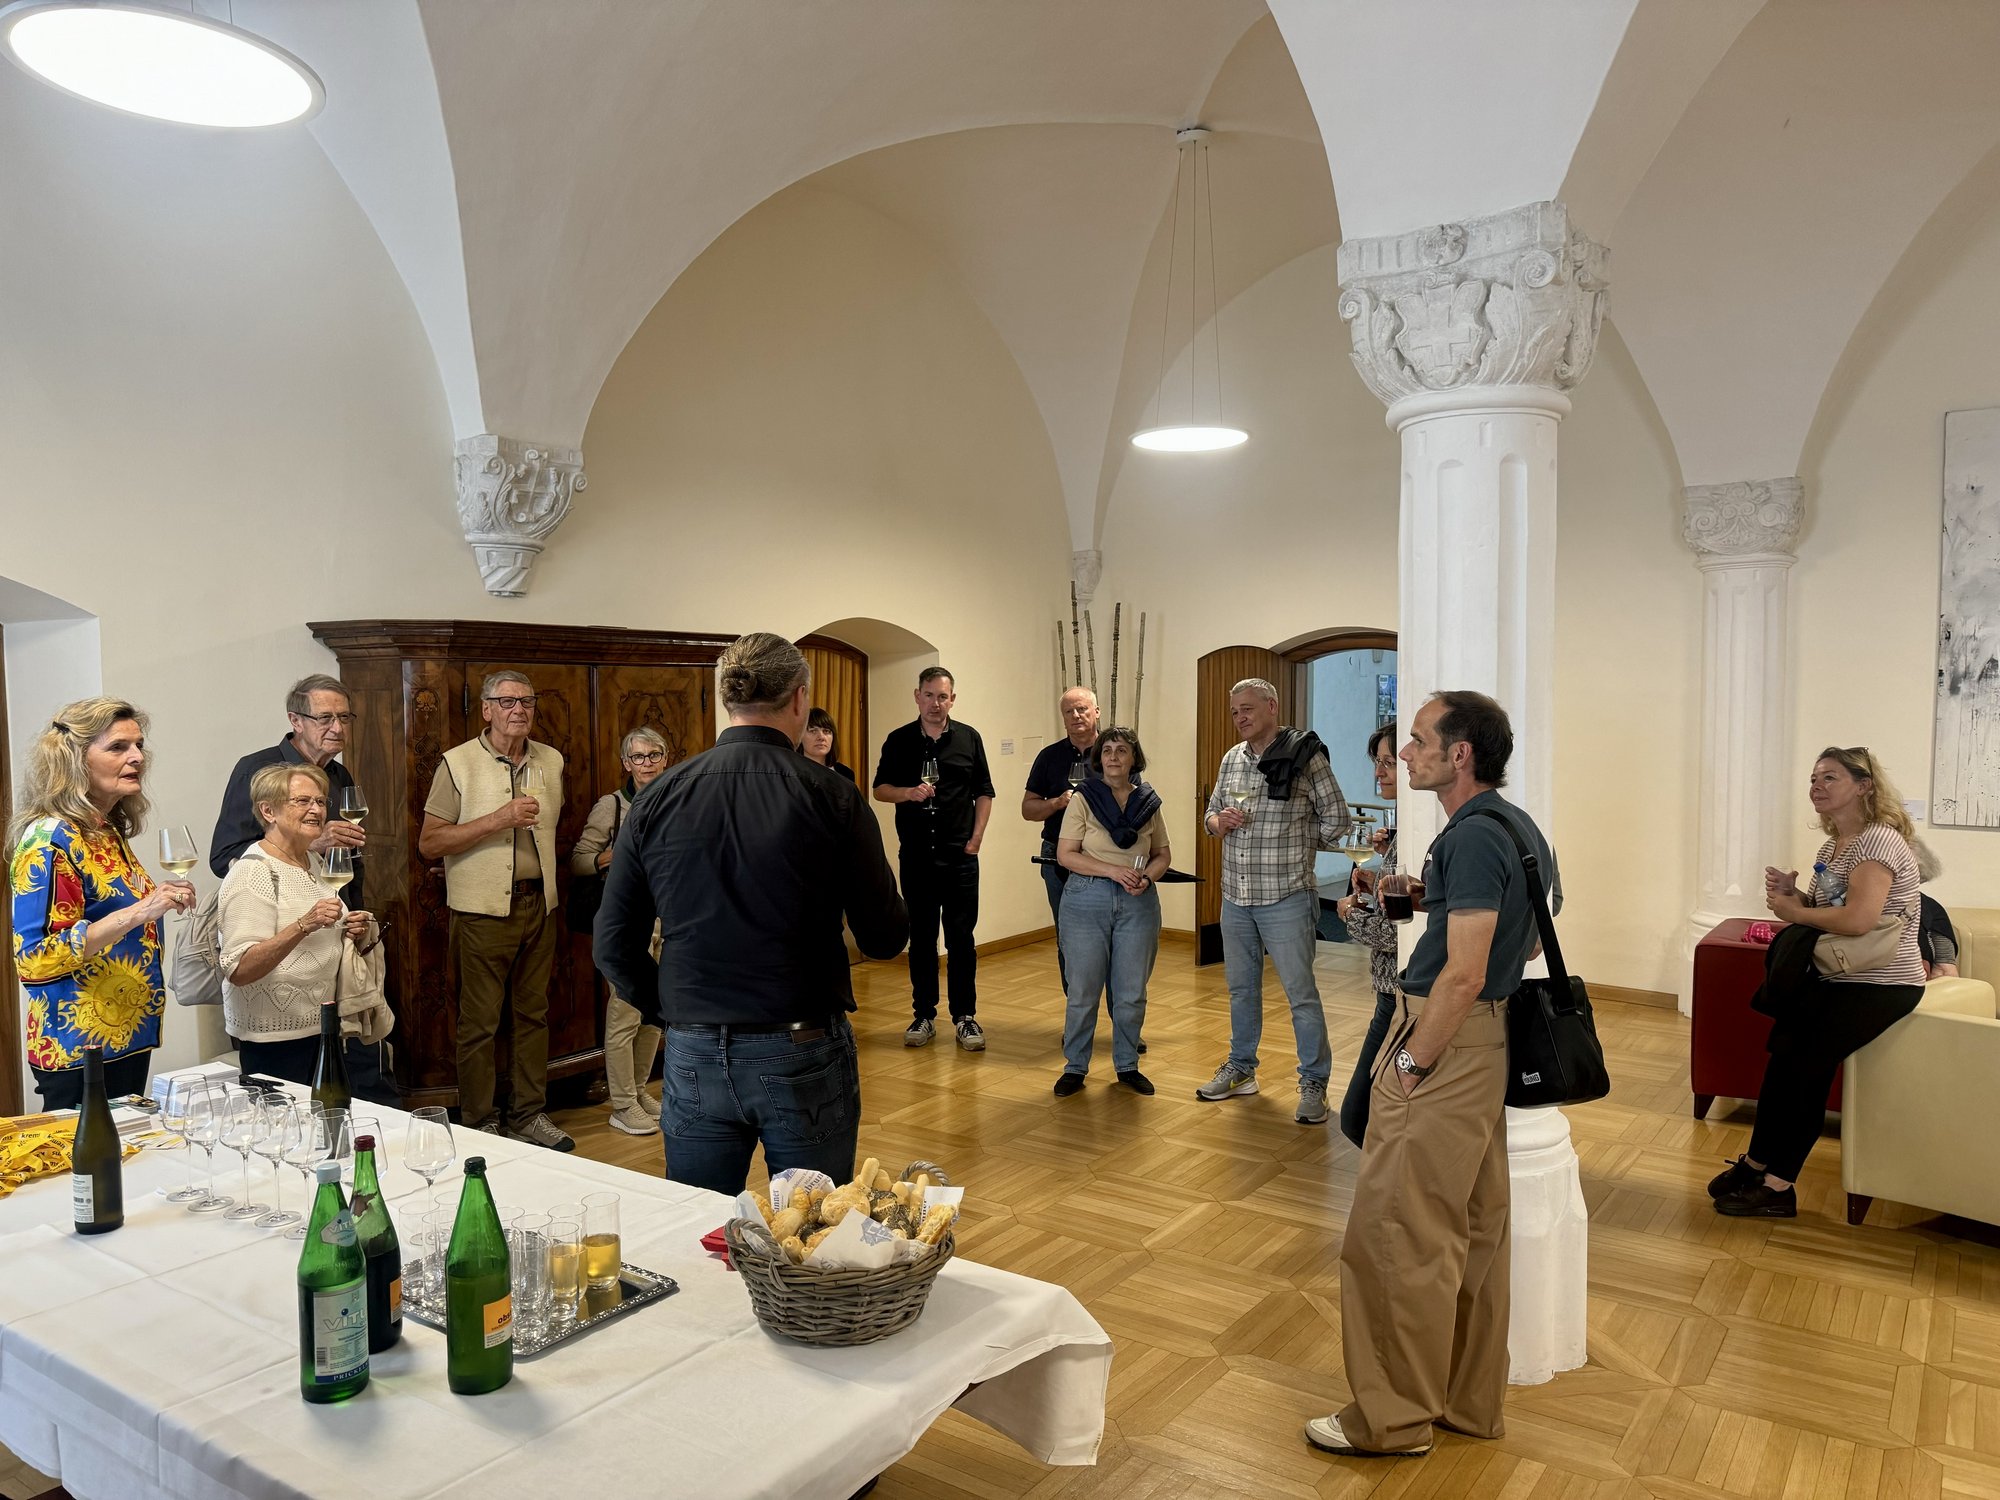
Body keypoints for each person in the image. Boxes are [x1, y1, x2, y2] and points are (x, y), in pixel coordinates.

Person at [1306, 690, 1558, 1459]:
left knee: (1395, 1238)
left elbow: (1463, 973)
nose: (1404, 754)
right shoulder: (1519, 829)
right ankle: (1463, 1403)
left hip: (1444, 1045)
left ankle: (1388, 1420)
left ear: (1461, 755)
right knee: (1473, 1233)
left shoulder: (1472, 839)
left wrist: (1414, 1060)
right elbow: (1529, 946)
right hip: (1485, 1046)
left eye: (1417, 741)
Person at [595, 632, 907, 1195]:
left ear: (728, 701)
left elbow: (614, 944)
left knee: (699, 1229)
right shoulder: (832, 796)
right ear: (798, 701)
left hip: (691, 1046)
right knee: (810, 1234)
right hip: (800, 1043)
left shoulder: (659, 795)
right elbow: (884, 938)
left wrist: (670, 1010)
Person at [1711, 746, 1928, 1219]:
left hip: (1883, 983)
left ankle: (1778, 1186)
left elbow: (1858, 919)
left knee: (1807, 1065)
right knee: (1782, 1056)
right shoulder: (1834, 846)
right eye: (1813, 778)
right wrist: (1797, 895)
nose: (1816, 786)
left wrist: (1793, 912)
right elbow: (1831, 909)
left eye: (1830, 777)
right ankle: (1756, 1162)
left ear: (1864, 786)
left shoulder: (1879, 842)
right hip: (1842, 974)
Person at [9, 697, 196, 1108]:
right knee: (86, 1171)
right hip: (78, 1048)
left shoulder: (104, 830)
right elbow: (36, 957)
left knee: (125, 1167)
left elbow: (112, 913)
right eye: (117, 747)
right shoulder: (49, 841)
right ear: (74, 760)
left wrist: (155, 902)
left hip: (125, 1037)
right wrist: (141, 910)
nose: (137, 757)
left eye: (139, 745)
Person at [417, 669, 571, 1151]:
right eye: (506, 702)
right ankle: (481, 1121)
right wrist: (499, 819)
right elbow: (430, 843)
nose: (518, 710)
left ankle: (529, 1115)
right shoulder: (457, 763)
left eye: (526, 701)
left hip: (538, 905)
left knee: (534, 1017)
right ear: (486, 709)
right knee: (479, 1023)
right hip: (482, 912)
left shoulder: (552, 760)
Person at [1196, 678, 1352, 1123]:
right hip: (1235, 896)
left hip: (1285, 895)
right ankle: (1241, 1070)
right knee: (1241, 989)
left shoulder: (1307, 757)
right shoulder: (1232, 758)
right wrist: (1216, 822)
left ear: (1272, 706)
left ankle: (1314, 1083)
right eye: (1234, 712)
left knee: (1300, 995)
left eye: (1247, 708)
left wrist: (1301, 839)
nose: (1240, 717)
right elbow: (1210, 812)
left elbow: (1337, 819)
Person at [219, 764, 381, 1084]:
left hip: (322, 1027)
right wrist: (303, 925)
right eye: (302, 801)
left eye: (321, 802)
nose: (316, 810)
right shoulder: (254, 872)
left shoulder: (315, 862)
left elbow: (324, 934)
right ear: (268, 811)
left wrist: (351, 930)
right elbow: (238, 968)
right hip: (274, 1040)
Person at [874, 667, 995, 1051]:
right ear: (917, 696)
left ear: (952, 699)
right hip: (916, 858)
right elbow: (880, 789)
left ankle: (965, 1017)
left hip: (960, 857)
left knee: (962, 939)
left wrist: (976, 839)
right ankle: (924, 1014)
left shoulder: (969, 738)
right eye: (929, 695)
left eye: (942, 696)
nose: (935, 703)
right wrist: (908, 794)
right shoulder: (898, 740)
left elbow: (984, 793)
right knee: (922, 938)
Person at [1053, 726, 1169, 1097]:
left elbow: (1163, 854)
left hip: (1138, 902)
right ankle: (1075, 1067)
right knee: (1084, 989)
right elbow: (1066, 854)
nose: (1114, 756)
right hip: (1087, 899)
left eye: (1122, 750)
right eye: (1107, 751)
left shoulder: (1148, 801)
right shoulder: (1083, 799)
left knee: (1131, 991)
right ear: (1098, 759)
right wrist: (1113, 871)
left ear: (1134, 758)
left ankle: (1127, 1065)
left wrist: (1147, 878)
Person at [572, 726, 671, 1136]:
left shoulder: (677, 797)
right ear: (625, 763)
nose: (646, 763)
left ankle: (640, 1089)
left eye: (654, 755)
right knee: (625, 1013)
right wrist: (617, 855)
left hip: (668, 920)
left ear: (666, 758)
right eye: (637, 756)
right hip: (626, 921)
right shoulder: (610, 806)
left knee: (654, 1014)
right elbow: (580, 861)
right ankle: (623, 1103)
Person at [210, 673, 367, 910]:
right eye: (325, 718)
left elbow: (350, 862)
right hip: (277, 917)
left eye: (344, 717)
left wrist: (356, 914)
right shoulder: (256, 769)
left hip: (334, 918)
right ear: (295, 721)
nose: (337, 728)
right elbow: (223, 858)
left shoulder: (339, 774)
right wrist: (309, 844)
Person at [1336, 723, 1401, 1148]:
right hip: (1391, 994)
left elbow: (1394, 933)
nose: (1380, 771)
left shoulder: (1423, 835)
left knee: (1359, 1117)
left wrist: (1347, 914)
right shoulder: (1406, 832)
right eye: (1377, 762)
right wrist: (1383, 863)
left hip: (1399, 998)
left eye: (1390, 762)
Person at [1023, 686, 1099, 999]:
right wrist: (1055, 803)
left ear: (1096, 712)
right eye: (1069, 711)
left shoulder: (1116, 750)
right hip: (1057, 856)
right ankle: (1078, 1019)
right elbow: (1028, 809)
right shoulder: (1049, 757)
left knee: (1112, 939)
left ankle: (1122, 1022)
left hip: (1106, 857)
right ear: (1063, 718)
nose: (1076, 716)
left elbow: (1138, 799)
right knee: (1068, 937)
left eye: (1082, 709)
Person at [799, 707, 856, 785]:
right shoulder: (788, 772)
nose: (821, 737)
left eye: (826, 731)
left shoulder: (846, 773)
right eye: (813, 731)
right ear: (799, 736)